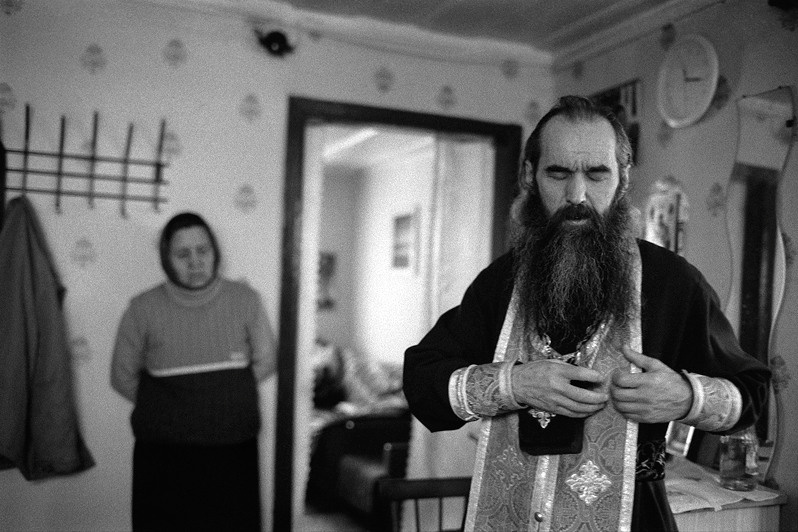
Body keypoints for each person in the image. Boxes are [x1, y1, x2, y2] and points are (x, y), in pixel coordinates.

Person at [403, 96, 771, 532]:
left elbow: (754, 394)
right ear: (529, 176)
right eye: (558, 173)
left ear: (623, 178)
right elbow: (422, 381)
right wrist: (513, 382)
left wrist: (688, 397)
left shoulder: (674, 282)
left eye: (597, 174)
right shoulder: (501, 281)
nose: (577, 196)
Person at [110, 212, 277, 531]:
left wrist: (224, 394)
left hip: (233, 452)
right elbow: (122, 377)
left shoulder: (246, 300)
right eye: (183, 254)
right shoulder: (141, 308)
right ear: (166, 258)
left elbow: (266, 361)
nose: (195, 262)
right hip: (163, 458)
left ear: (215, 252)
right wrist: (170, 408)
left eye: (203, 251)